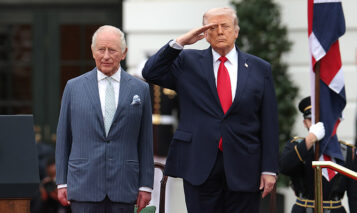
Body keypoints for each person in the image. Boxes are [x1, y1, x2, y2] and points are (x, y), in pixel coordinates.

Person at [142, 7, 279, 213]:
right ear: (205, 34)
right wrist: (180, 43)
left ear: (236, 31)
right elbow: (150, 71)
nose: (220, 32)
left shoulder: (260, 68)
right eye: (213, 27)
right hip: (199, 163)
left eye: (225, 26)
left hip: (245, 165)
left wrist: (269, 168)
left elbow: (269, 121)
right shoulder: (187, 62)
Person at [55, 25, 154, 213]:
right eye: (101, 49)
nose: (106, 56)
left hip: (124, 186)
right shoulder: (73, 88)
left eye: (112, 50)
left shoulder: (140, 89)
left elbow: (145, 140)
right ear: (93, 52)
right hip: (83, 185)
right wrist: (61, 182)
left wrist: (145, 185)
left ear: (123, 53)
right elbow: (63, 138)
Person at [279, 96, 357, 213]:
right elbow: (284, 167)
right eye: (312, 120)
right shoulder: (296, 146)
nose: (318, 125)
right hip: (304, 209)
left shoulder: (347, 151)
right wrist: (310, 140)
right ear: (305, 123)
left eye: (322, 120)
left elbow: (354, 196)